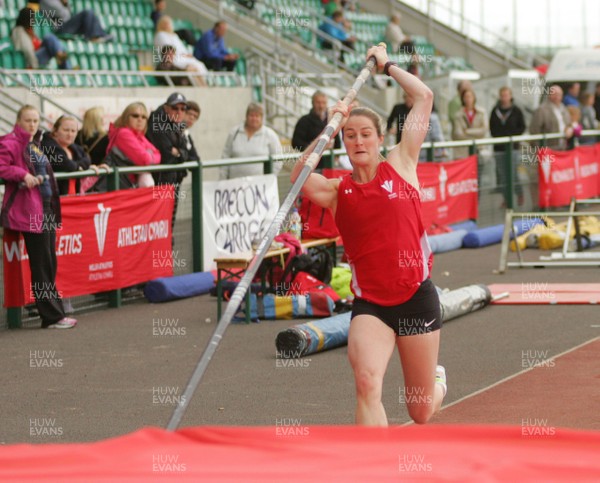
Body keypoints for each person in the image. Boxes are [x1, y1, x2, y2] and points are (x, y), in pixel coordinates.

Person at [291, 45, 446, 426]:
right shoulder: (337, 191)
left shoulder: (402, 162)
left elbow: (424, 96)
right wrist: (328, 127)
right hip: (371, 305)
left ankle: (438, 380)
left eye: (365, 135)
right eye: (350, 136)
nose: (358, 142)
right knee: (366, 382)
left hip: (415, 297)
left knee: (420, 410)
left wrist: (387, 65)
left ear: (380, 139)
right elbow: (296, 176)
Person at [0, 105, 77, 329]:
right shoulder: (10, 142)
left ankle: (54, 314)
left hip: (45, 207)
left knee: (49, 262)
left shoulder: (35, 144)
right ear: (18, 121)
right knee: (42, 264)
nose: (32, 124)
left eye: (35, 120)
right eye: (27, 120)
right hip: (29, 210)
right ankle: (52, 317)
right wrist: (22, 173)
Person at [146, 93, 189, 236]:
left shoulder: (176, 124)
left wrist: (179, 153)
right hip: (160, 180)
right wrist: (178, 153)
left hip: (173, 180)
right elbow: (166, 155)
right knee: (160, 224)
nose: (179, 112)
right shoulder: (157, 121)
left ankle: (167, 257)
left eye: (183, 109)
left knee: (169, 224)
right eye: (175, 108)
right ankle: (160, 257)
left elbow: (186, 152)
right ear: (166, 108)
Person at [221, 102, 283, 179]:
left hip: (260, 186)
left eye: (257, 116)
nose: (254, 119)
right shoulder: (234, 133)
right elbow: (225, 156)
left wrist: (269, 179)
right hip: (235, 185)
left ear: (261, 118)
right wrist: (223, 179)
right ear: (246, 117)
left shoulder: (270, 135)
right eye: (251, 115)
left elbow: (278, 159)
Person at [107, 102, 161, 188]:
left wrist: (148, 156)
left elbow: (158, 155)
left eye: (144, 117)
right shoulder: (123, 133)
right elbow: (144, 159)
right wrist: (149, 155)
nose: (140, 119)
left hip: (129, 184)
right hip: (119, 184)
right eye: (135, 116)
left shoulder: (139, 135)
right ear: (126, 117)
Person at [489, 86, 526, 206]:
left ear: (510, 96)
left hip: (513, 148)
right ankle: (506, 198)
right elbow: (492, 128)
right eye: (502, 95)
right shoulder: (495, 111)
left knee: (513, 172)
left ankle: (519, 194)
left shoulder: (516, 111)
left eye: (506, 95)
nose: (504, 97)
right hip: (499, 148)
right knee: (503, 175)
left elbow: (522, 126)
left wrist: (513, 136)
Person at [41, 115, 94, 195]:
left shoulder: (73, 147)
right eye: (66, 130)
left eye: (73, 131)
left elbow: (87, 159)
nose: (70, 134)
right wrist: (80, 167)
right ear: (55, 131)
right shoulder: (46, 146)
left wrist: (78, 166)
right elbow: (67, 165)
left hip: (73, 197)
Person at [291, 91, 340, 170]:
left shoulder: (331, 120)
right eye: (318, 102)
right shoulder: (304, 121)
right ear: (312, 103)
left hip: (329, 164)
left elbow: (337, 141)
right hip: (311, 166)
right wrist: (314, 147)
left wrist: (336, 157)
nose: (321, 106)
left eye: (324, 103)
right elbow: (296, 143)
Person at [155, 16, 207, 86]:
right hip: (175, 59)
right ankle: (201, 86)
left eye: (168, 23)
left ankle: (204, 86)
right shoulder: (160, 35)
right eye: (165, 23)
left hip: (181, 57)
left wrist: (186, 54)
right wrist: (178, 55)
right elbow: (168, 49)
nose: (167, 25)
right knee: (191, 68)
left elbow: (181, 48)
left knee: (198, 65)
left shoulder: (174, 35)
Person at [39, 0, 114, 42]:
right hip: (60, 28)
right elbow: (62, 14)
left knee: (91, 15)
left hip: (66, 25)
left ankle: (100, 35)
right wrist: (63, 3)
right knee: (87, 13)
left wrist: (65, 4)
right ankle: (93, 37)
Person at [529, 85, 573, 150]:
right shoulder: (542, 109)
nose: (556, 97)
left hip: (563, 148)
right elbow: (534, 130)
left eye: (558, 94)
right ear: (549, 95)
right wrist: (539, 149)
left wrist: (569, 129)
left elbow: (569, 124)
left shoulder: (564, 108)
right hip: (548, 149)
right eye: (554, 94)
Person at [452, 89, 488, 159]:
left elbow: (484, 130)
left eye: (470, 96)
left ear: (474, 98)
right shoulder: (458, 115)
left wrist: (467, 131)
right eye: (466, 97)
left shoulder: (482, 112)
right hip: (463, 152)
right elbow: (459, 134)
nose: (468, 99)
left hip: (479, 149)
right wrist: (475, 135)